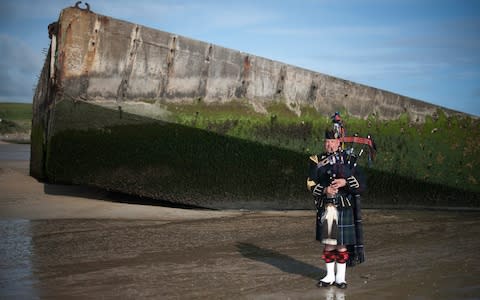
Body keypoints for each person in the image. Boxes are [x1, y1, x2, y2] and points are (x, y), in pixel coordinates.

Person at [306, 128, 366, 289]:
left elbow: (361, 185)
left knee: (342, 244)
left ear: (339, 142)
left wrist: (345, 182)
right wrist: (325, 190)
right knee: (329, 243)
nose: (328, 144)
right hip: (329, 207)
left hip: (344, 208)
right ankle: (329, 276)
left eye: (332, 141)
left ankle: (341, 277)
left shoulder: (349, 160)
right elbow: (310, 183)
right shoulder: (317, 160)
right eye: (326, 141)